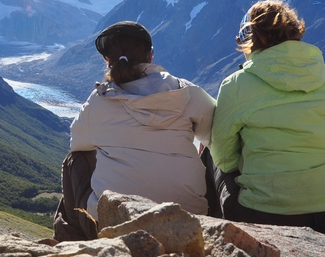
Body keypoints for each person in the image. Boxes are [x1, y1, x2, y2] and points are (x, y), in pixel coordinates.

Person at [209, 0, 325, 240]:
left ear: (250, 39)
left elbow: (225, 157)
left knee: (211, 154)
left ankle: (213, 235)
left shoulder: (235, 86)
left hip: (263, 217)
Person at [65, 20, 216, 226]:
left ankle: (70, 238)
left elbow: (77, 144)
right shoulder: (187, 92)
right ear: (151, 56)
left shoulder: (98, 100)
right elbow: (214, 135)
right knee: (214, 151)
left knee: (74, 160)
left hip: (116, 222)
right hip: (189, 221)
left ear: (108, 60)